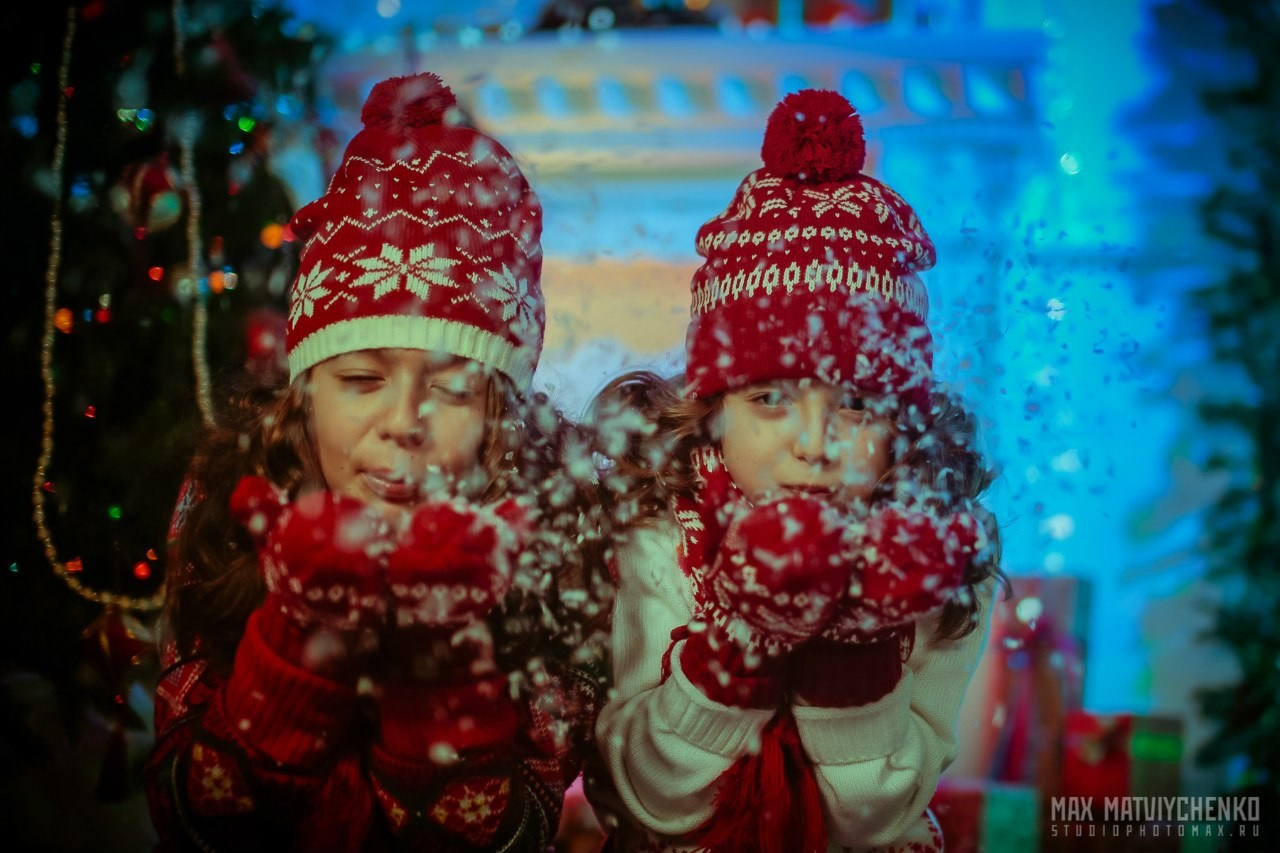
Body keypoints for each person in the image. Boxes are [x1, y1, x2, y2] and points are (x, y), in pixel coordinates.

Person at [144, 71, 609, 852]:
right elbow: (189, 815)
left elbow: (519, 831)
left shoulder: (551, 531)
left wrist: (440, 659)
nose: (404, 424)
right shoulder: (232, 496)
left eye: (453, 391)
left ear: (502, 414)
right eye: (361, 379)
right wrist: (294, 652)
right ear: (305, 392)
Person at [585, 89, 1006, 853]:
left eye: (854, 404)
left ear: (901, 419)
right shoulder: (660, 534)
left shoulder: (936, 558)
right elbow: (646, 800)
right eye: (772, 397)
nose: (813, 443)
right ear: (713, 407)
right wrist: (739, 641)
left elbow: (874, 819)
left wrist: (856, 650)